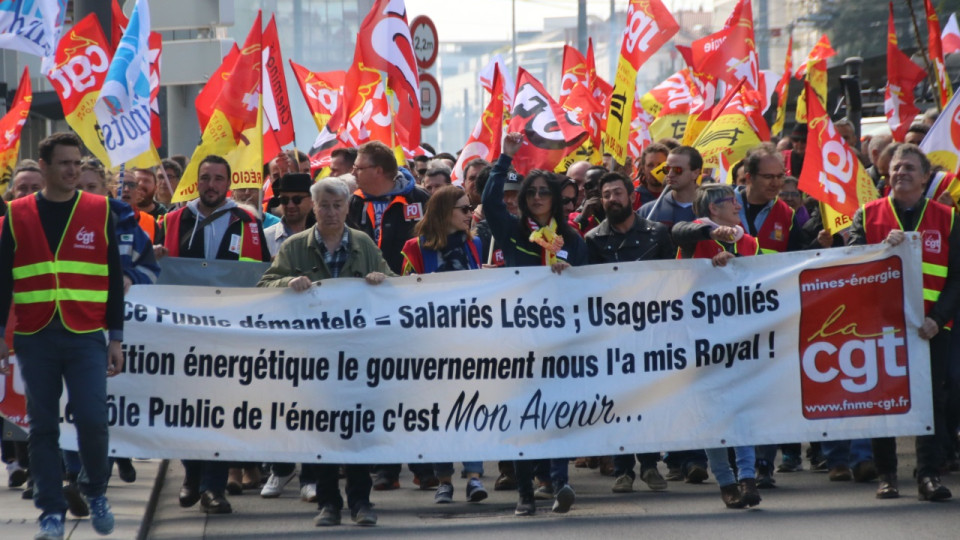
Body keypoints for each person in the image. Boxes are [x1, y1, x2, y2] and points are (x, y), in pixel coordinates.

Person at [0, 132, 123, 539]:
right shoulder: (16, 214)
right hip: (35, 335)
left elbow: (113, 276)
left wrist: (116, 337)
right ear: (45, 166)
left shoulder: (100, 210)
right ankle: (50, 511)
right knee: (42, 428)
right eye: (65, 163)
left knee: (92, 419)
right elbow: (2, 280)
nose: (72, 170)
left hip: (86, 333)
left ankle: (95, 490)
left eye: (76, 163)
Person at [258, 177, 391, 527]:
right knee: (323, 432)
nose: (331, 212)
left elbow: (392, 284)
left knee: (357, 432)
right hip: (313, 357)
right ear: (313, 208)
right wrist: (287, 283)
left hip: (356, 356)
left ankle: (361, 502)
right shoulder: (295, 247)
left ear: (347, 208)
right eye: (324, 206)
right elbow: (265, 285)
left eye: (337, 205)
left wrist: (381, 280)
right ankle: (329, 503)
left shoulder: (363, 244)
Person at [157, 154, 269, 515]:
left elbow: (262, 274)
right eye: (205, 178)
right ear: (196, 181)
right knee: (187, 408)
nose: (211, 185)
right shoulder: (172, 220)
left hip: (228, 333)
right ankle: (191, 475)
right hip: (183, 331)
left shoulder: (248, 222)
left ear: (228, 184)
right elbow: (152, 273)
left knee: (220, 409)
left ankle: (213, 487)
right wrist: (153, 256)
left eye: (218, 179)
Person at [848, 144, 960, 501]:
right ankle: (887, 476)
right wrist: (879, 249)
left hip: (930, 328)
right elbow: (850, 265)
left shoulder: (948, 217)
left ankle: (928, 475)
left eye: (910, 168)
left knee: (932, 402)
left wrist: (938, 318)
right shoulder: (867, 215)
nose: (901, 173)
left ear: (925, 177)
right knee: (883, 399)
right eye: (897, 167)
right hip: (880, 326)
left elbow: (957, 277)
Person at [483, 132, 585, 516]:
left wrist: (570, 273)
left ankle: (559, 484)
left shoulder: (572, 239)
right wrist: (504, 159)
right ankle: (525, 493)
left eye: (544, 192)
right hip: (519, 339)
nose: (538, 197)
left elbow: (590, 287)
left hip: (559, 339)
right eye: (532, 193)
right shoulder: (513, 232)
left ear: (555, 198)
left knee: (557, 414)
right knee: (524, 416)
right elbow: (490, 202)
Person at [672, 184, 761, 509]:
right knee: (712, 414)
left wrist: (735, 259)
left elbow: (760, 274)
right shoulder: (697, 234)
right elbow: (680, 231)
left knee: (741, 410)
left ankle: (747, 477)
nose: (738, 206)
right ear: (713, 209)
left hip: (739, 340)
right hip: (700, 341)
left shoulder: (746, 239)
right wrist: (711, 234)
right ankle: (726, 481)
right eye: (731, 202)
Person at [585, 172, 673, 494]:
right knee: (618, 401)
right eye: (606, 194)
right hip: (612, 335)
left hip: (651, 332)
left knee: (647, 399)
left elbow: (673, 277)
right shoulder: (593, 239)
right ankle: (623, 470)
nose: (612, 199)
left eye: (617, 193)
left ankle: (650, 465)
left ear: (631, 196)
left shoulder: (658, 233)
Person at [399, 186, 488, 504]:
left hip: (470, 344)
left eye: (470, 209)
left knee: (473, 408)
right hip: (432, 347)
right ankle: (444, 480)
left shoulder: (475, 244)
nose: (470, 215)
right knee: (439, 415)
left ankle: (474, 477)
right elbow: (405, 294)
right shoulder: (415, 248)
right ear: (444, 212)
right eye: (464, 209)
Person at [347, 140, 430, 276]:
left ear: (378, 171)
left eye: (358, 168)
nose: (353, 173)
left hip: (411, 283)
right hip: (367, 283)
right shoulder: (354, 202)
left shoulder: (418, 198)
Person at [638, 146, 701, 229]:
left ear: (695, 173)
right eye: (667, 169)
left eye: (677, 170)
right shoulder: (648, 211)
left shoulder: (713, 209)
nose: (670, 174)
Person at [264, 173, 317, 257]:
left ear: (312, 201)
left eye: (297, 199)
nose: (290, 205)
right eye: (284, 200)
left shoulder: (321, 238)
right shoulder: (265, 238)